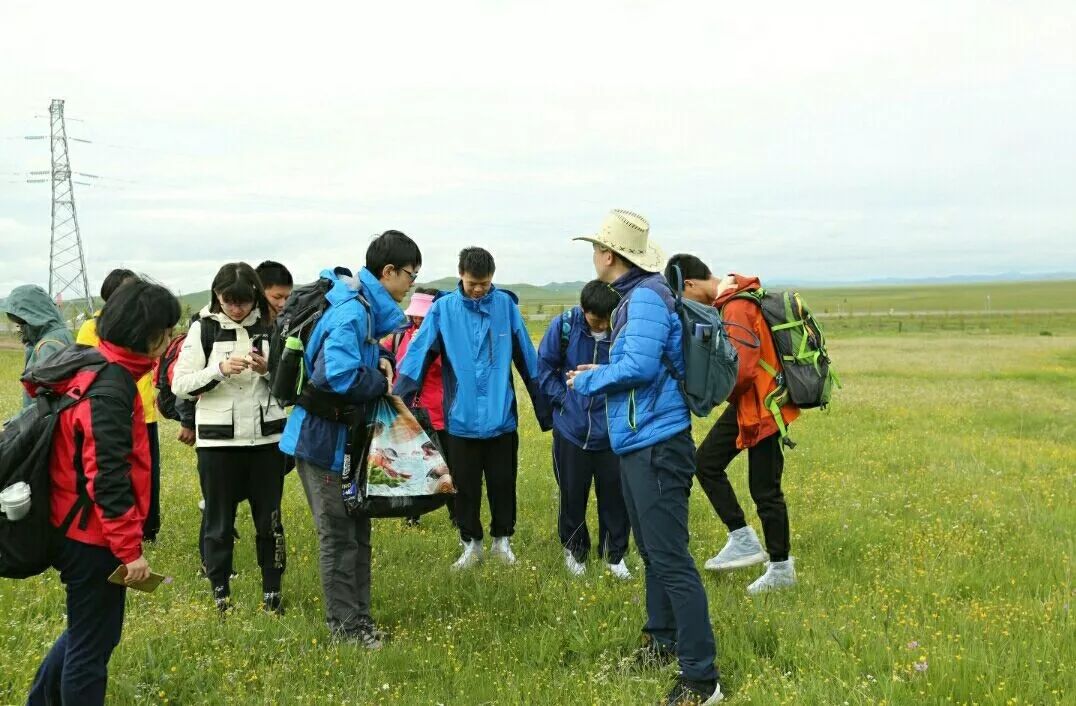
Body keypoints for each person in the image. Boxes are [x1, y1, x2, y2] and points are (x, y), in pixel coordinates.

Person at [568, 211, 722, 705]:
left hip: (657, 444)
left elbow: (637, 367)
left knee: (672, 559)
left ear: (609, 255)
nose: (593, 255)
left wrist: (588, 378)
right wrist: (604, 367)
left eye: (596, 248)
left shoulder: (645, 300)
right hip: (642, 441)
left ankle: (702, 678)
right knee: (654, 553)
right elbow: (639, 362)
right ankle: (661, 642)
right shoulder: (637, 297)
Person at [27, 279, 180, 706]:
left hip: (71, 523)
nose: (167, 341)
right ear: (146, 333)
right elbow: (108, 479)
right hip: (90, 537)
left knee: (87, 632)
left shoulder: (92, 364)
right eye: (165, 332)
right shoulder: (111, 388)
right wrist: (129, 551)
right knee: (91, 649)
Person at [279, 230, 421, 647]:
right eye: (410, 275)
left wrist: (379, 357)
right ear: (388, 271)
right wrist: (378, 381)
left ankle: (359, 620)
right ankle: (347, 630)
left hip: (341, 440)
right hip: (323, 442)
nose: (411, 284)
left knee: (357, 533)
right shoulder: (353, 310)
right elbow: (336, 375)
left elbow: (356, 357)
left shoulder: (360, 305)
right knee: (340, 538)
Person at [395, 247, 552, 570]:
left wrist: (545, 411)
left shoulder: (505, 307)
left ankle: (502, 542)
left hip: (501, 419)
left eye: (484, 283)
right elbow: (418, 355)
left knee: (502, 482)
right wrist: (399, 401)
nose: (478, 289)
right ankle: (471, 544)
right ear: (460, 276)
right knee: (464, 487)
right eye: (471, 283)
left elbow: (527, 359)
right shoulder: (444, 311)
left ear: (492, 278)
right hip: (459, 420)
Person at [665, 254, 799, 594]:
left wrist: (707, 393)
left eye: (682, 297)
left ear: (691, 284)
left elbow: (742, 371)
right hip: (752, 404)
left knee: (764, 489)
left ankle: (780, 568)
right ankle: (742, 538)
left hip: (763, 408)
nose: (685, 305)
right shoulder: (734, 300)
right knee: (707, 463)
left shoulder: (735, 307)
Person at [171, 262, 289, 614]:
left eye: (243, 301)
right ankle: (221, 594)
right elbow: (181, 383)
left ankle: (273, 594)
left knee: (270, 522)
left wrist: (267, 370)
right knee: (219, 523)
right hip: (218, 445)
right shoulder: (202, 328)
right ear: (217, 296)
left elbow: (291, 384)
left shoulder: (271, 326)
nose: (236, 309)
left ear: (255, 295)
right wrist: (219, 370)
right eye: (228, 301)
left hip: (267, 443)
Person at [536, 280, 631, 579]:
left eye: (607, 319)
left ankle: (614, 557)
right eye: (595, 319)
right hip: (571, 430)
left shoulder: (623, 330)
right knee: (572, 494)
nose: (602, 325)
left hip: (613, 432)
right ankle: (575, 551)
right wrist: (565, 400)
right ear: (583, 310)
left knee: (616, 497)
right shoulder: (563, 327)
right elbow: (545, 369)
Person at [76, 269, 165, 542]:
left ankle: (147, 529)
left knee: (147, 473)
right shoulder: (93, 327)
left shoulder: (144, 326)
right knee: (112, 471)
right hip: (111, 409)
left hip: (144, 413)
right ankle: (112, 528)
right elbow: (88, 365)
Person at [381, 286, 453, 527]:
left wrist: (424, 347)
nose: (418, 318)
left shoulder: (445, 338)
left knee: (448, 466)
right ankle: (411, 516)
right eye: (415, 313)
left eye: (424, 314)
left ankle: (457, 516)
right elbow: (387, 359)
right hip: (409, 411)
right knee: (412, 464)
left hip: (440, 413)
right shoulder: (400, 336)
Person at [2, 284, 74, 410]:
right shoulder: (59, 334)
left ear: (32, 317)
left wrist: (18, 425)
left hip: (45, 424)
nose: (20, 328)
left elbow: (43, 404)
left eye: (21, 322)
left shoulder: (49, 346)